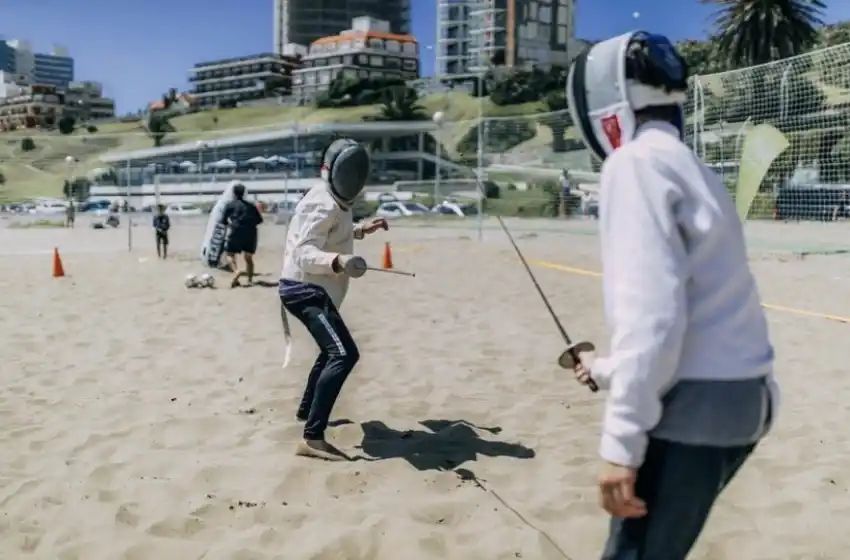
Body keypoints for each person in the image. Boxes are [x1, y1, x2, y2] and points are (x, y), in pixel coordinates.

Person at [563, 31, 780, 559]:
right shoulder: (696, 169)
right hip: (748, 400)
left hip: (695, 411)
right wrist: (606, 367)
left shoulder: (634, 164)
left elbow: (653, 321)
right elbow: (700, 315)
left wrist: (621, 445)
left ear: (603, 103)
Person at [279, 138, 388, 461]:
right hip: (304, 289)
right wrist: (338, 262)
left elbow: (332, 230)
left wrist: (359, 230)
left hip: (314, 289)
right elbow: (303, 253)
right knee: (343, 353)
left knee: (331, 351)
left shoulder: (332, 200)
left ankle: (305, 412)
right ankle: (312, 438)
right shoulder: (321, 202)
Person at [220, 183, 263, 287]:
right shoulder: (251, 206)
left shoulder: (230, 205)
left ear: (233, 193)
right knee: (248, 258)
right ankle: (250, 280)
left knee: (230, 254)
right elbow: (259, 220)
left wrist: (230, 224)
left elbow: (223, 220)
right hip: (250, 232)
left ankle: (236, 271)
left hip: (236, 231)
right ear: (244, 193)